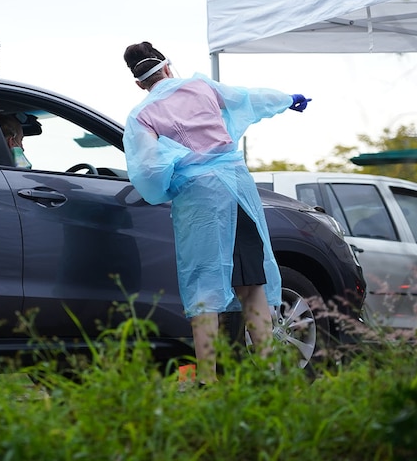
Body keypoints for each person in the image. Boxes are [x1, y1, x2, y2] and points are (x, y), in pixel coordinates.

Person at [121, 41, 311, 383]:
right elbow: (248, 98)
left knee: (203, 285)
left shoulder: (142, 115)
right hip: (236, 190)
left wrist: (177, 176)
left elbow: (147, 169)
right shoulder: (200, 86)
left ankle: (207, 378)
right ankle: (269, 368)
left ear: (138, 83)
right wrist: (286, 100)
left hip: (199, 201)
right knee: (251, 279)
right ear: (167, 65)